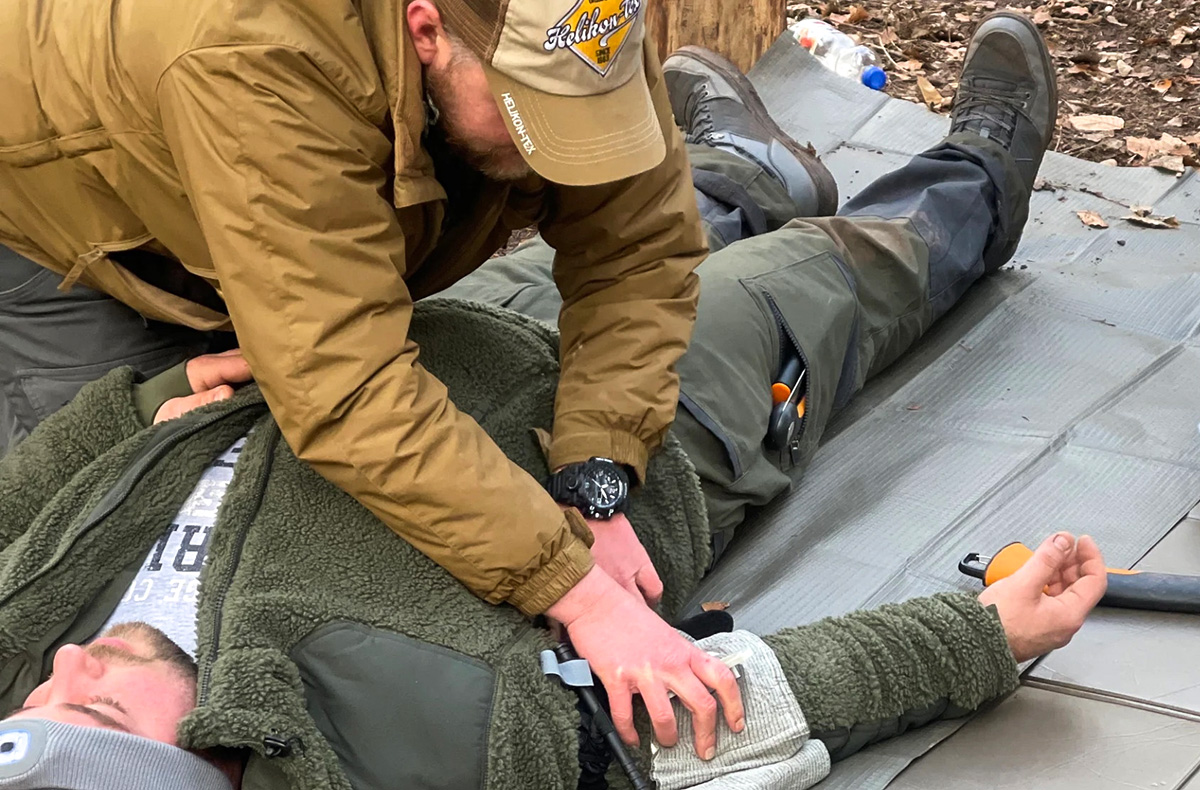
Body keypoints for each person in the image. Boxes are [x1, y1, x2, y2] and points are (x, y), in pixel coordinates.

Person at [0, 13, 1108, 789]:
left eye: (35, 698)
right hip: (626, 463)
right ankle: (979, 174)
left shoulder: (24, 642)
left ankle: (733, 168)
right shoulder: (422, 744)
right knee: (824, 281)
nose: (66, 665)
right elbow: (715, 719)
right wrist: (979, 639)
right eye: (97, 707)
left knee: (613, 202)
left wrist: (135, 408)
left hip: (430, 335)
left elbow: (610, 252)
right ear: (204, 762)